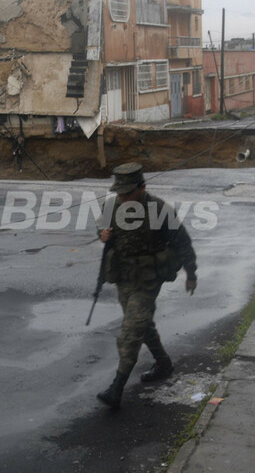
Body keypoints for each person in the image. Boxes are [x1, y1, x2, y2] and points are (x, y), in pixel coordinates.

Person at [96, 163, 198, 408]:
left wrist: (191, 273)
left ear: (142, 187)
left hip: (148, 278)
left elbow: (183, 242)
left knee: (132, 330)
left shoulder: (160, 210)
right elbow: (101, 228)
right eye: (119, 192)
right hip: (123, 277)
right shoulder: (111, 207)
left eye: (128, 192)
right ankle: (163, 363)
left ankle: (116, 388)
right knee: (142, 325)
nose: (122, 197)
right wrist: (103, 234)